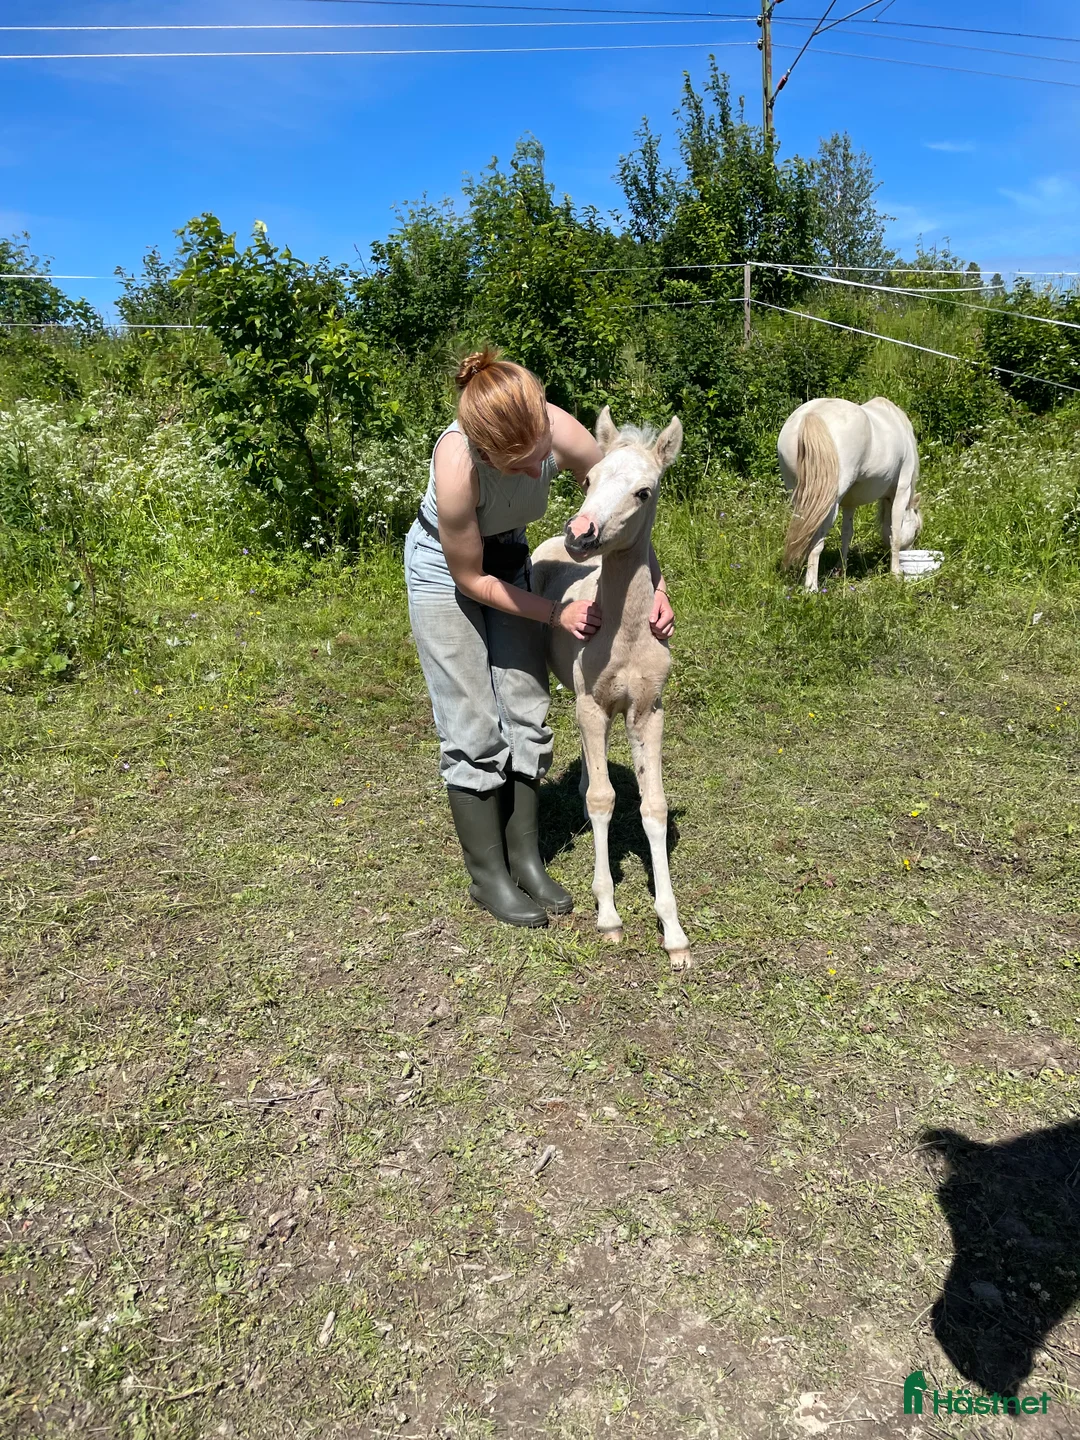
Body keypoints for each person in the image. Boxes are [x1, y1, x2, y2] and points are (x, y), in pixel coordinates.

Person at [404, 348, 675, 928]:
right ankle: (489, 875)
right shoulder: (456, 464)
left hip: (511, 555)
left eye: (539, 456)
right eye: (519, 465)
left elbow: (624, 501)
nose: (536, 473)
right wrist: (555, 613)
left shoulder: (557, 429)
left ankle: (526, 857)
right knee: (471, 718)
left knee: (526, 703)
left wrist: (657, 584)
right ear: (485, 452)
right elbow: (470, 578)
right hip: (446, 571)